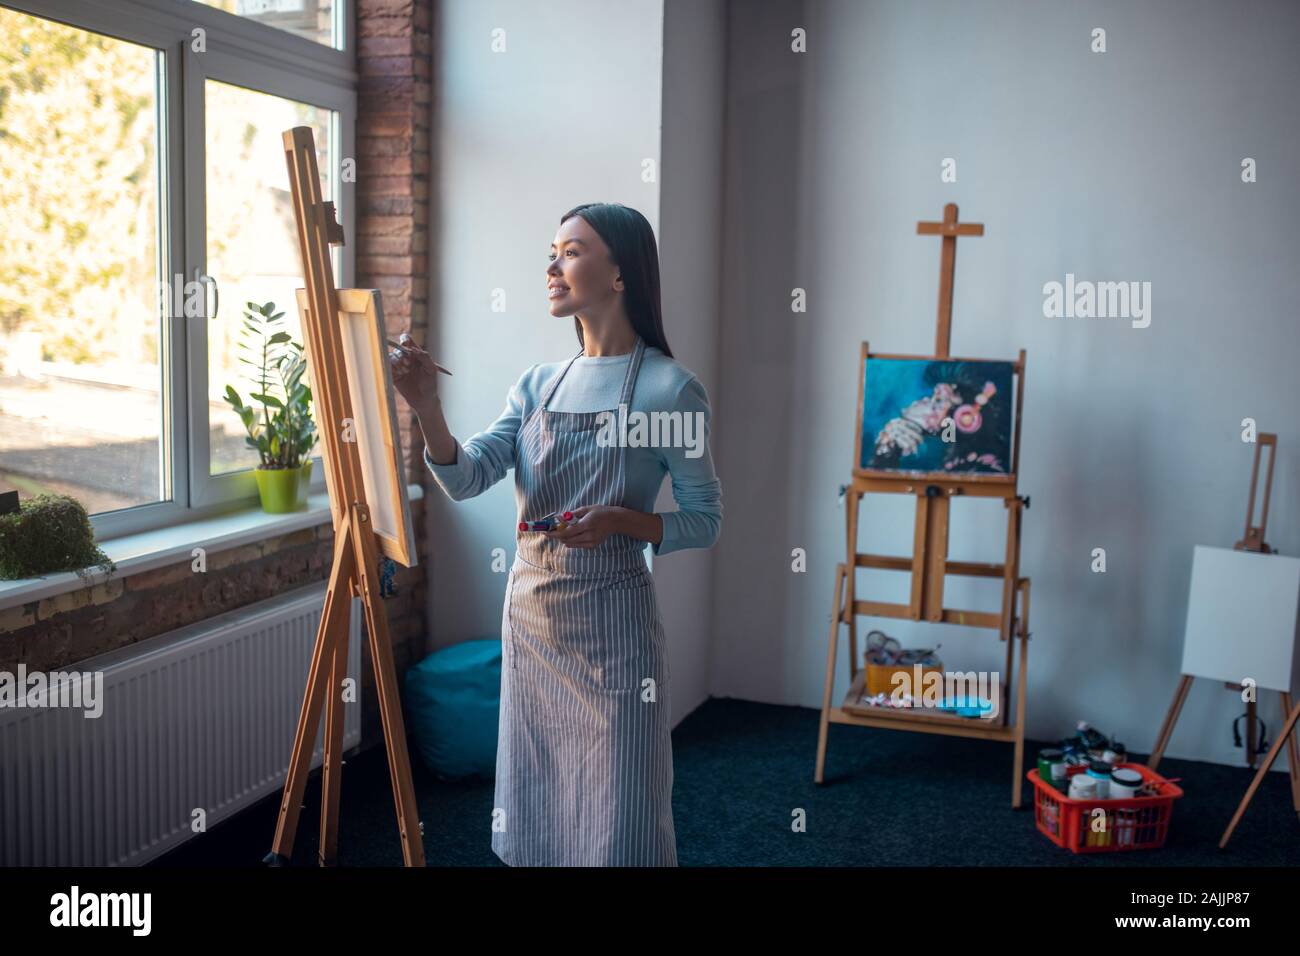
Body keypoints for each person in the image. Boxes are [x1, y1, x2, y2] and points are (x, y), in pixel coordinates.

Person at [389, 202, 722, 866]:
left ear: (621, 272)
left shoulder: (667, 390)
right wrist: (426, 406)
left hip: (615, 631)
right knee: (538, 802)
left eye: (570, 251)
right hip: (534, 622)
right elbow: (468, 475)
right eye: (552, 250)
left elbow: (704, 519)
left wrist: (623, 521)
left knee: (619, 811)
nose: (551, 266)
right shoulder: (539, 385)